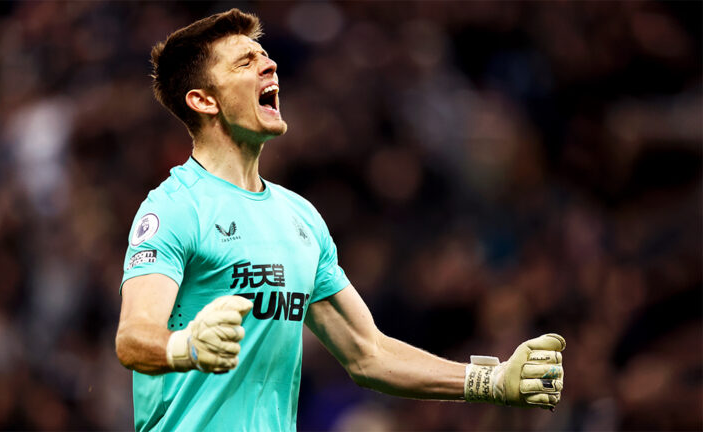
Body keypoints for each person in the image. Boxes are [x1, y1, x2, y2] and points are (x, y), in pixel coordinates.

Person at [115, 8, 565, 431]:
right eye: (245, 62)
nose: (269, 66)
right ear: (203, 100)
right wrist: (185, 347)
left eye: (266, 56)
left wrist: (490, 381)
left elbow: (368, 353)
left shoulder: (300, 218)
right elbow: (134, 337)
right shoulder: (176, 208)